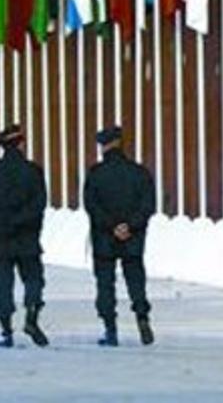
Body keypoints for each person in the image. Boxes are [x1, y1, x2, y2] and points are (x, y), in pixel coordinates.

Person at [0, 124, 49, 348]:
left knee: (3, 284)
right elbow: (39, 203)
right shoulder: (33, 171)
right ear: (22, 143)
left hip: (0, 238)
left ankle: (6, 331)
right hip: (27, 237)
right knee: (34, 279)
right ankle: (32, 318)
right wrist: (21, 221)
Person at [83, 125, 156, 347]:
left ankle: (110, 329)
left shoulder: (95, 173)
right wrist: (129, 226)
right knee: (135, 279)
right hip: (132, 238)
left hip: (104, 238)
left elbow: (91, 205)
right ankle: (142, 316)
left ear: (103, 146)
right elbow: (148, 205)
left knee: (105, 283)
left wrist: (112, 226)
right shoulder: (139, 172)